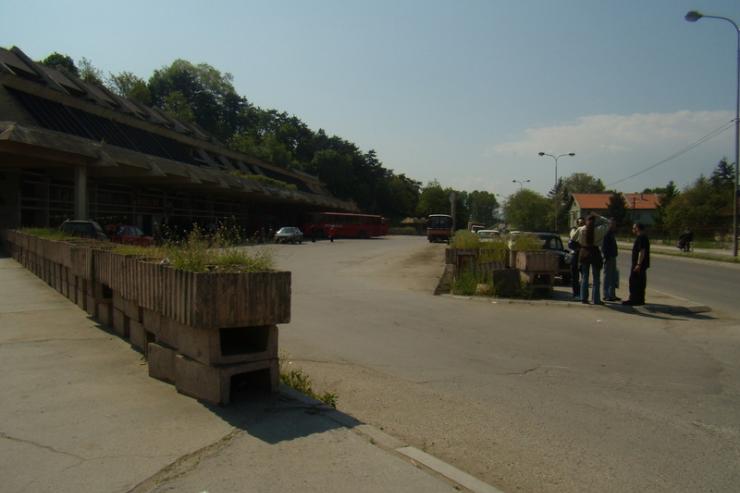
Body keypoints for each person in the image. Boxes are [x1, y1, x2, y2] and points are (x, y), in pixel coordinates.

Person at [573, 213, 608, 304]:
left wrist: (575, 229)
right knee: (596, 278)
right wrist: (599, 216)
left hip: (584, 252)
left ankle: (583, 298)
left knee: (584, 276)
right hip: (595, 252)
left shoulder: (581, 229)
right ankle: (596, 299)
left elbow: (573, 237)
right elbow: (607, 222)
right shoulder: (599, 229)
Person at [623, 223, 650, 306]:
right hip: (642, 264)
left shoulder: (641, 237)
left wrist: (638, 264)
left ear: (638, 228)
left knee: (634, 282)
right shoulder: (644, 237)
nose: (633, 229)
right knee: (640, 282)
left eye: (634, 228)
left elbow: (642, 251)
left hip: (638, 265)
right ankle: (640, 300)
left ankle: (634, 300)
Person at [602, 218, 620, 302]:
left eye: (615, 224)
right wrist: (606, 257)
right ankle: (606, 295)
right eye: (613, 224)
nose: (614, 226)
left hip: (613, 257)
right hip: (608, 258)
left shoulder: (612, 234)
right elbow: (604, 248)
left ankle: (612, 295)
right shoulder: (607, 234)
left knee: (613, 277)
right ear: (609, 224)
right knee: (607, 277)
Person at [568, 217, 585, 300]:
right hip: (575, 256)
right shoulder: (574, 230)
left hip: (583, 256)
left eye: (582, 224)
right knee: (575, 276)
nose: (581, 225)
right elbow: (571, 241)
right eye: (580, 223)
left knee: (584, 276)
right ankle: (576, 294)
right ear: (577, 224)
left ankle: (583, 294)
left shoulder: (586, 231)